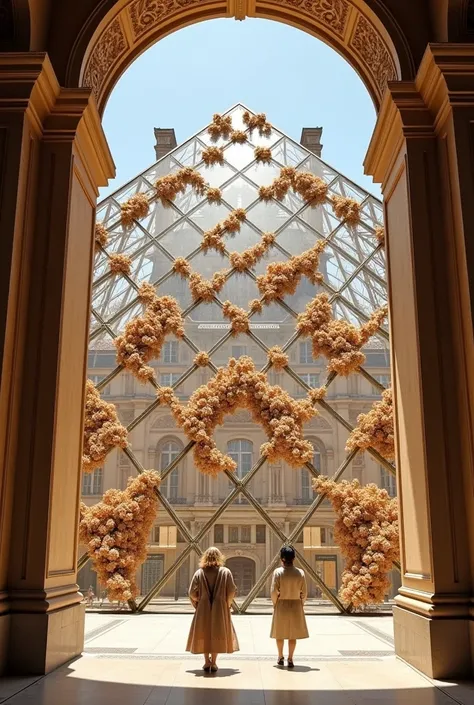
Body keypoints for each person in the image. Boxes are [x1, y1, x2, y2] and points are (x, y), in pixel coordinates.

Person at [186, 546, 239, 672]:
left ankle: (206, 662)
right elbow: (232, 591)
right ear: (219, 557)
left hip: (203, 608)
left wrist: (198, 601)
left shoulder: (199, 573)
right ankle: (214, 662)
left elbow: (191, 593)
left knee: (204, 632)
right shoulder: (225, 572)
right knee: (217, 632)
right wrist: (228, 603)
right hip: (220, 607)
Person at [270, 545, 309, 668]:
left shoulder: (278, 572)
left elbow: (273, 591)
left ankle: (280, 656)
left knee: (280, 633)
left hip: (282, 604)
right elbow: (305, 592)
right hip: (296, 604)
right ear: (294, 558)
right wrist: (301, 603)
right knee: (293, 634)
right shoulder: (300, 573)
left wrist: (275, 603)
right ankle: (290, 658)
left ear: (282, 558)